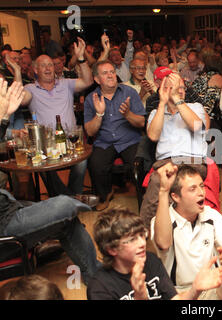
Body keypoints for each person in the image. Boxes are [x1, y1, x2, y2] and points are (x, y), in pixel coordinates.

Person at [0, 80, 101, 286]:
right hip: (5, 228)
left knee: (66, 220)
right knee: (63, 205)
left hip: (9, 208)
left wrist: (4, 118)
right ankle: (76, 201)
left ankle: (96, 275)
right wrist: (2, 117)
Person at [87, 208, 222, 300]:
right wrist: (140, 296)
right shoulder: (100, 288)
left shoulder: (151, 261)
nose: (142, 243)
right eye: (132, 239)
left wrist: (195, 290)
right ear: (112, 249)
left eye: (142, 235)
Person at [151, 163, 222, 299]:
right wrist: (163, 191)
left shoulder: (212, 215)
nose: (201, 193)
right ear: (176, 197)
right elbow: (163, 243)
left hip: (212, 284)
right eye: (192, 189)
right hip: (179, 292)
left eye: (201, 186)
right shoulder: (162, 220)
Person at [20, 38, 94, 198]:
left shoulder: (65, 84)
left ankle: (69, 199)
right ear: (35, 70)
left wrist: (81, 58)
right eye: (43, 65)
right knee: (44, 166)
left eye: (51, 65)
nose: (48, 68)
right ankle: (69, 200)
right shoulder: (30, 88)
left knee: (81, 163)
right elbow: (21, 100)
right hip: (46, 143)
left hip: (70, 139)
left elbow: (88, 81)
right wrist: (15, 73)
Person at [140, 72, 208, 225]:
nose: (180, 90)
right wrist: (162, 103)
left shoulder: (195, 107)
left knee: (159, 180)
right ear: (163, 90)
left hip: (193, 162)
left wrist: (176, 98)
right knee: (160, 179)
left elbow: (196, 127)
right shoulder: (156, 112)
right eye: (175, 88)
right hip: (166, 163)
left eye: (182, 88)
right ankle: (148, 231)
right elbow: (152, 136)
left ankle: (146, 228)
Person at [84, 60, 146, 211]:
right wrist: (99, 114)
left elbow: (141, 122)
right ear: (97, 79)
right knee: (95, 164)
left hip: (129, 139)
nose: (111, 75)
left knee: (138, 163)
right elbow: (90, 132)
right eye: (105, 73)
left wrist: (128, 114)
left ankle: (143, 197)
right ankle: (105, 195)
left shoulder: (129, 92)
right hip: (105, 142)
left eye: (112, 71)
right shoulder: (91, 99)